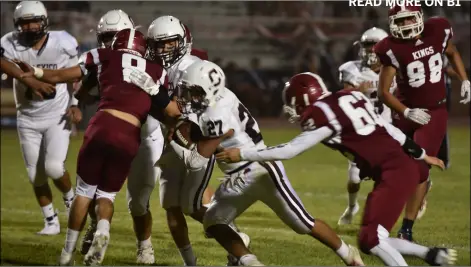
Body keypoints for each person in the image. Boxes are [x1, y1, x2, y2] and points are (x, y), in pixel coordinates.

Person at [217, 72, 457, 266]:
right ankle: (430, 255)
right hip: (398, 167)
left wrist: (242, 153)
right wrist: (421, 153)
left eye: (294, 105)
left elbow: (290, 150)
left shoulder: (322, 114)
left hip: (393, 171)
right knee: (368, 240)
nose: (293, 111)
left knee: (371, 239)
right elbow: (388, 128)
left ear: (303, 100)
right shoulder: (351, 96)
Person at [169, 61, 365, 266]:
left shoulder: (214, 116)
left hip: (259, 170)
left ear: (209, 89)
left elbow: (196, 161)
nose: (189, 97)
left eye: (194, 92)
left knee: (303, 223)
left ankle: (349, 255)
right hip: (237, 176)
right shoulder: (224, 95)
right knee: (213, 221)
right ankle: (250, 262)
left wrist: (175, 142)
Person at [144, 16, 247, 266]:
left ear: (181, 42)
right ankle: (190, 262)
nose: (163, 50)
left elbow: (185, 111)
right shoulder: (154, 67)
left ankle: (236, 239)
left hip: (195, 138)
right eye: (158, 45)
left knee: (193, 203)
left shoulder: (193, 66)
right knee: (170, 203)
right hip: (174, 140)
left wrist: (171, 115)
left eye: (169, 44)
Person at [374, 4, 470, 241]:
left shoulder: (437, 30)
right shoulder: (390, 48)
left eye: (409, 19)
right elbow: (383, 92)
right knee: (386, 168)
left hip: (434, 111)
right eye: (401, 21)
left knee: (417, 169)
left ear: (418, 17)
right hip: (404, 111)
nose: (406, 25)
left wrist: (465, 79)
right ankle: (420, 187)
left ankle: (406, 229)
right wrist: (406, 112)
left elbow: (452, 51)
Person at [1, 0, 80, 235]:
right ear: (17, 25)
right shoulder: (9, 43)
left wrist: (75, 103)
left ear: (44, 21)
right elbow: (2, 62)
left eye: (34, 21)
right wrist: (30, 80)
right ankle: (51, 222)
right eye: (25, 23)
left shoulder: (63, 42)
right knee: (35, 175)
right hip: (27, 117)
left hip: (57, 115)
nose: (31, 27)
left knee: (54, 168)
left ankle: (70, 200)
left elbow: (74, 76)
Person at [336, 27, 396, 225]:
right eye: (367, 45)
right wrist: (356, 91)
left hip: (387, 130)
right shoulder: (351, 70)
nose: (370, 50)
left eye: (374, 45)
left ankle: (377, 218)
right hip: (361, 131)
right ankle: (353, 206)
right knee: (354, 179)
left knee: (385, 178)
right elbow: (341, 99)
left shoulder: (396, 69)